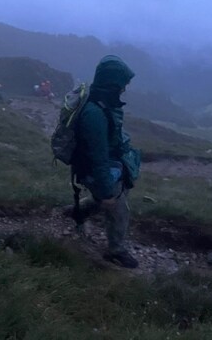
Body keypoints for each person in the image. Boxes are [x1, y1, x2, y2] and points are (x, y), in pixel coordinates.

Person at [71, 55, 141, 268]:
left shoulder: (102, 104)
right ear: (112, 83)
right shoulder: (95, 114)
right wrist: (107, 191)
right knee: (118, 208)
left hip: (108, 164)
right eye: (122, 85)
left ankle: (78, 211)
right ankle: (115, 251)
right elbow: (98, 157)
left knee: (112, 197)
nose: (124, 90)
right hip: (98, 168)